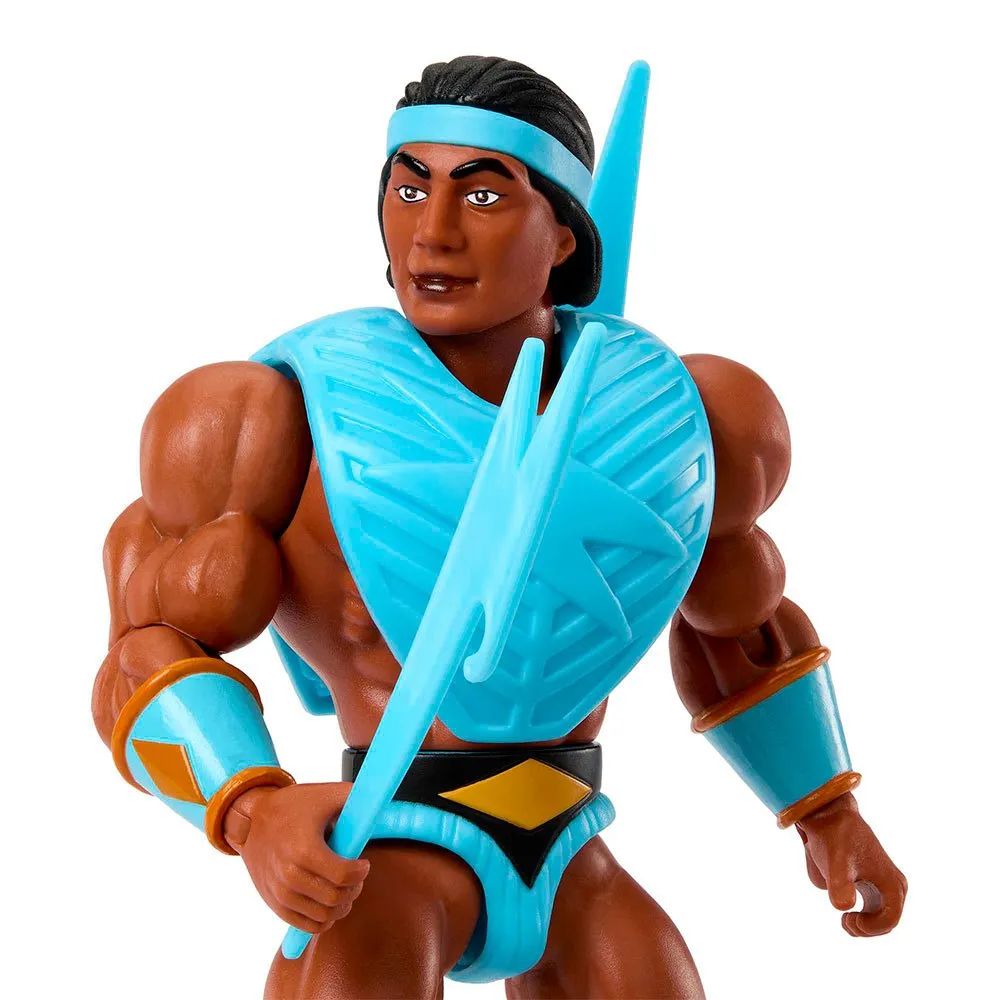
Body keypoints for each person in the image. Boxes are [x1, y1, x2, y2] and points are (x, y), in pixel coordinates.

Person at [93, 56, 906, 999]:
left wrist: (828, 813)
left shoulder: (671, 415)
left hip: (571, 846)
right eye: (409, 189)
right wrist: (252, 809)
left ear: (563, 234)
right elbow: (142, 655)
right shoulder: (268, 419)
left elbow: (737, 630)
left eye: (482, 195)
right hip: (383, 852)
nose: (432, 232)